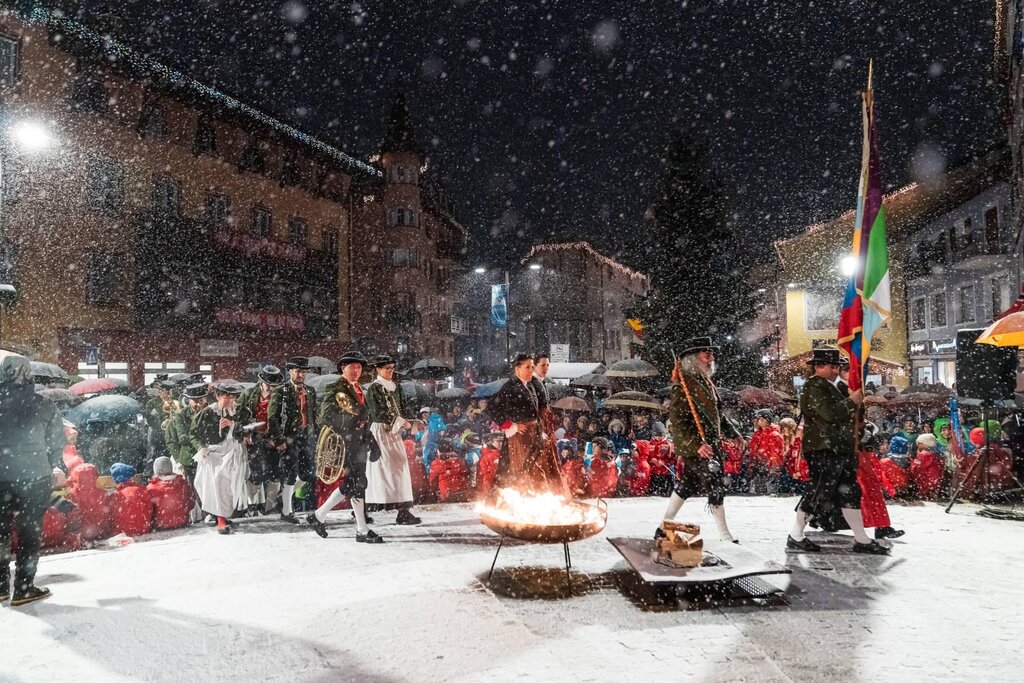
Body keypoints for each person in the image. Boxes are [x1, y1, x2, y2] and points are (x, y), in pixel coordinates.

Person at [786, 348, 888, 555]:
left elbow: (849, 414)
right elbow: (830, 414)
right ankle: (796, 535)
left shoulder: (834, 387)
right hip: (823, 448)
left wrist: (853, 399)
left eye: (836, 366)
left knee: (849, 492)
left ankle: (861, 538)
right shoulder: (813, 387)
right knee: (818, 492)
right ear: (818, 367)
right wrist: (852, 400)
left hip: (839, 448)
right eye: (831, 366)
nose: (835, 370)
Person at [657, 337, 743, 543]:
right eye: (707, 354)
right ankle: (725, 536)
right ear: (694, 359)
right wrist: (697, 445)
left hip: (709, 445)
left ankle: (662, 528)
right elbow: (678, 422)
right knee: (715, 485)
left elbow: (718, 417)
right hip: (699, 447)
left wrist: (733, 433)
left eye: (711, 354)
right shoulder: (683, 387)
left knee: (686, 485)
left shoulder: (706, 383)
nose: (711, 358)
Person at [0, 354, 66, 605]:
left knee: (0, 533)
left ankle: (0, 586)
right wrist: (47, 462)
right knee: (29, 532)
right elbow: (56, 442)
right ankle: (24, 588)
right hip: (35, 477)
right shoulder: (44, 404)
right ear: (29, 375)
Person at [307, 352, 381, 543]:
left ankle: (318, 516)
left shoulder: (359, 389)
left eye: (359, 367)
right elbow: (325, 416)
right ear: (343, 368)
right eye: (352, 367)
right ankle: (362, 530)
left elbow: (363, 421)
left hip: (359, 444)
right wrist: (350, 423)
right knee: (358, 483)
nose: (356, 370)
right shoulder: (335, 387)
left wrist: (372, 442)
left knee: (350, 484)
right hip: (345, 444)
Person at [488, 353, 565, 495]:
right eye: (527, 367)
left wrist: (540, 431)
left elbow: (535, 413)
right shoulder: (510, 386)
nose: (531, 370)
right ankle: (522, 496)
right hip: (520, 437)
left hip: (533, 433)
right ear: (517, 369)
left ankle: (534, 495)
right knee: (522, 469)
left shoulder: (529, 385)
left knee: (534, 467)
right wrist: (510, 425)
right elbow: (492, 407)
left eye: (532, 367)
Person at [365, 354, 422, 525]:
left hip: (394, 433)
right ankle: (364, 508)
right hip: (380, 432)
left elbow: (404, 407)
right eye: (386, 368)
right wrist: (400, 422)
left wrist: (414, 420)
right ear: (378, 369)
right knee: (380, 471)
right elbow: (377, 412)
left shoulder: (397, 387)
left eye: (392, 368)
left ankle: (402, 510)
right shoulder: (374, 388)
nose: (390, 371)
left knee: (399, 469)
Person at [191, 380, 252, 535]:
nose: (230, 400)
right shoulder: (208, 412)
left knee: (232, 485)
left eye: (232, 397)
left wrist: (234, 425)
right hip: (215, 453)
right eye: (226, 397)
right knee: (218, 484)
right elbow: (194, 433)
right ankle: (220, 519)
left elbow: (248, 428)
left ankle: (225, 514)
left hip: (235, 451)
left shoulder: (241, 411)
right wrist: (201, 447)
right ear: (218, 396)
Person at [268, 357, 318, 524]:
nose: (300, 374)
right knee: (290, 473)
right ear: (290, 372)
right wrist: (278, 439)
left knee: (308, 473)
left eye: (303, 371)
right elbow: (272, 417)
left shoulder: (310, 391)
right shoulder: (281, 391)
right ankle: (286, 511)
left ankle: (284, 495)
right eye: (297, 371)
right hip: (289, 437)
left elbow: (313, 414)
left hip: (307, 437)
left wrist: (316, 434)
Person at [238, 365, 285, 515]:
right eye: (268, 385)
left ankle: (270, 506)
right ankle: (251, 504)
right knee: (256, 473)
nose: (271, 388)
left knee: (275, 473)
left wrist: (277, 438)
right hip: (254, 436)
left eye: (274, 385)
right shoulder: (249, 394)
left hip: (273, 437)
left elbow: (284, 419)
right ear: (261, 382)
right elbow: (239, 416)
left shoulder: (281, 397)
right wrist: (245, 433)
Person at [165, 382, 208, 522]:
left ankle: (211, 514)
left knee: (210, 488)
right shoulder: (181, 415)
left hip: (209, 457)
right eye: (195, 401)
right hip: (190, 459)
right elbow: (182, 438)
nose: (198, 404)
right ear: (188, 400)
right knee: (195, 489)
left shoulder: (210, 412)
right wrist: (200, 440)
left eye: (201, 401)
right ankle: (203, 515)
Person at [147, 456, 191, 531]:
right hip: (182, 522)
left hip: (160, 525)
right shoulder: (182, 483)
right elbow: (191, 503)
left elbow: (148, 509)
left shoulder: (151, 488)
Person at [110, 463, 154, 537]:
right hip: (143, 530)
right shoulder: (141, 490)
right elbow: (150, 509)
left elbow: (112, 516)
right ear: (131, 478)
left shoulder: (115, 495)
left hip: (121, 533)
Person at [748, 409, 784, 495]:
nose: (759, 421)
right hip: (758, 465)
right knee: (758, 491)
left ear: (768, 420)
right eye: (758, 419)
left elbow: (776, 454)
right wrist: (752, 462)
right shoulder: (758, 433)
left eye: (761, 419)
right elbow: (753, 449)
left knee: (769, 490)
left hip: (769, 466)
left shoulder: (774, 434)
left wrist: (774, 468)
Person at [477, 432, 502, 498]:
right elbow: (486, 477)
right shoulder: (487, 457)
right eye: (498, 441)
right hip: (494, 490)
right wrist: (488, 493)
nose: (501, 443)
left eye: (502, 441)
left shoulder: (507, 453)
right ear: (492, 442)